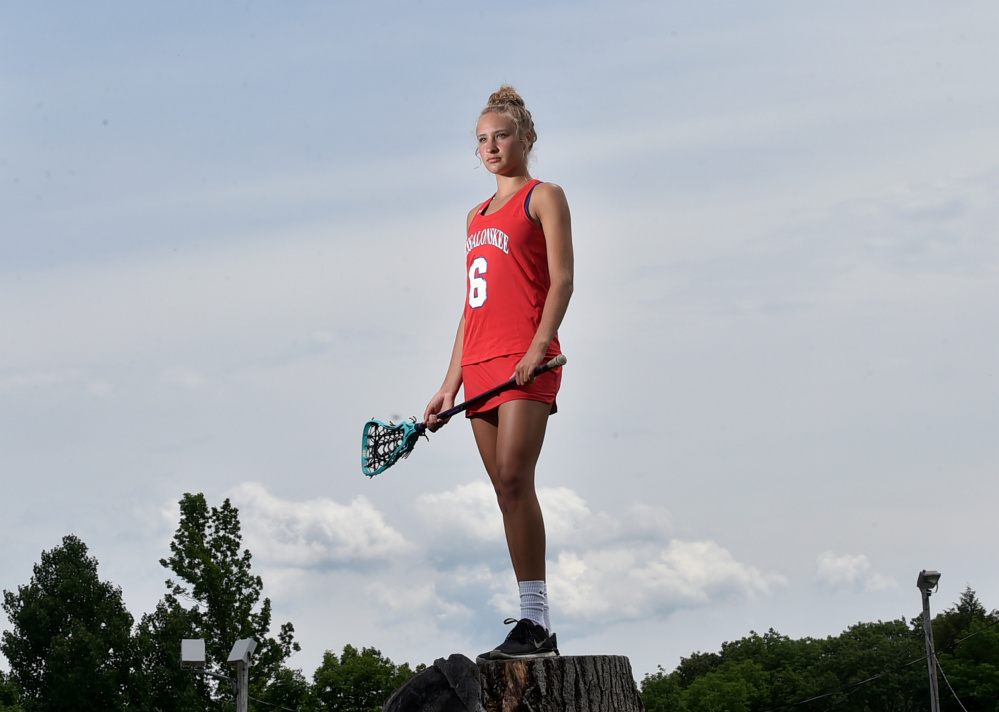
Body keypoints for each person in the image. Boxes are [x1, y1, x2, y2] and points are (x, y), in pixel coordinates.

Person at [423, 86, 573, 662]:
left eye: (501, 136)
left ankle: (536, 621)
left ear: (526, 139)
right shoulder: (474, 217)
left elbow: (561, 280)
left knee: (515, 478)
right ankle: (532, 622)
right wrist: (447, 384)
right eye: (482, 140)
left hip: (525, 361)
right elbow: (471, 307)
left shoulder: (544, 196)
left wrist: (538, 347)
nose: (491, 146)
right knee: (503, 492)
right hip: (481, 365)